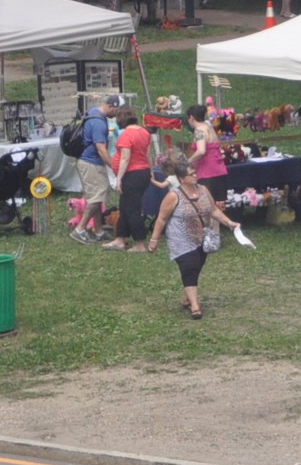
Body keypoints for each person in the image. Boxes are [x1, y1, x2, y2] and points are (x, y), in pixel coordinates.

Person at [146, 153, 242, 319]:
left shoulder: (203, 190)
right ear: (182, 179)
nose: (196, 176)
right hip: (180, 239)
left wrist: (229, 222)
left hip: (201, 238)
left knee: (196, 265)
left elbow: (213, 210)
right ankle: (195, 306)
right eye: (192, 175)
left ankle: (186, 297)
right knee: (189, 266)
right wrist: (154, 240)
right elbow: (161, 218)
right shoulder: (173, 196)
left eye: (195, 173)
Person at [103, 116, 155, 250]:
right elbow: (148, 154)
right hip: (143, 172)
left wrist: (119, 178)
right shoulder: (144, 132)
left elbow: (125, 158)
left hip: (132, 174)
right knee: (125, 206)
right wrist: (151, 169)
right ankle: (120, 238)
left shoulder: (127, 135)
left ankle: (140, 243)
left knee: (132, 209)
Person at [71, 101, 116, 243]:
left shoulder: (92, 113)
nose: (116, 115)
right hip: (91, 163)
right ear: (111, 105)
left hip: (88, 161)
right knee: (97, 196)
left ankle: (99, 230)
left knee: (98, 194)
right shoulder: (98, 123)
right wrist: (113, 166)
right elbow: (101, 149)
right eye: (116, 111)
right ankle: (80, 229)